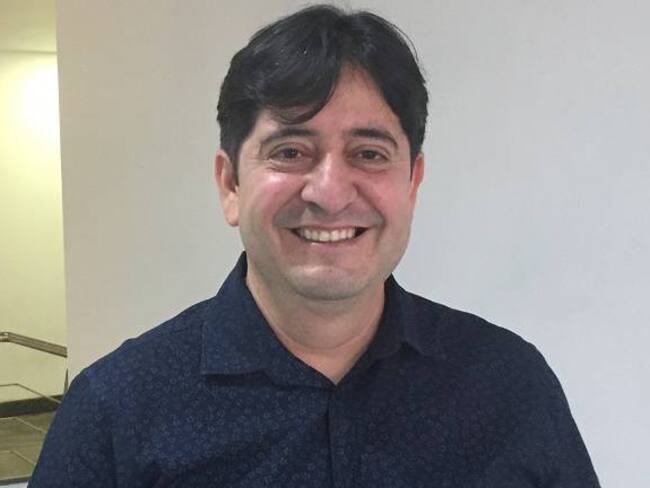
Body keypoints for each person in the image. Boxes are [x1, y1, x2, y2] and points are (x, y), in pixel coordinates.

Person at [30, 5, 600, 487]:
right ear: (230, 185)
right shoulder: (115, 411)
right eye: (290, 152)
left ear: (412, 183)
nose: (329, 193)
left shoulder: (509, 385)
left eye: (369, 154)